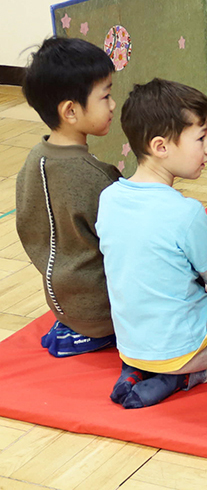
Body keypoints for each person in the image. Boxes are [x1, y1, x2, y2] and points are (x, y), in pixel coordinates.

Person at [97, 79, 207, 409]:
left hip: (131, 345)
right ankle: (186, 377)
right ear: (161, 147)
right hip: (181, 350)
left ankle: (137, 370)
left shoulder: (108, 199)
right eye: (201, 137)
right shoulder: (186, 213)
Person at [16, 37, 120, 357]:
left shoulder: (34, 160)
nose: (113, 105)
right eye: (106, 96)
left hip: (61, 301)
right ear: (71, 111)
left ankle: (75, 322)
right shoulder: (98, 177)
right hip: (101, 312)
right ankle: (99, 332)